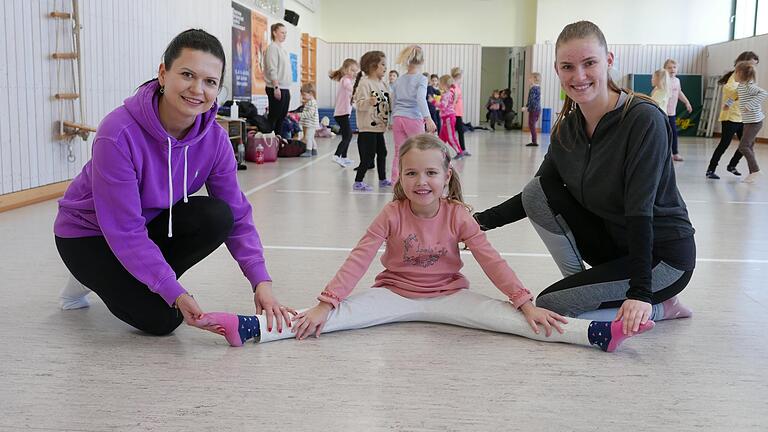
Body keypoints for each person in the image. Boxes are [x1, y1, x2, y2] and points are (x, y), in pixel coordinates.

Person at [199, 134, 654, 352]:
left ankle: (597, 333)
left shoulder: (458, 215)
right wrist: (325, 302)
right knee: (330, 319)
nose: (421, 181)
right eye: (412, 173)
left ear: (446, 176)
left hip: (449, 296)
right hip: (393, 294)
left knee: (518, 321)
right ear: (400, 176)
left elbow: (491, 260)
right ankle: (252, 327)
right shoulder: (391, 213)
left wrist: (523, 301)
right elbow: (360, 258)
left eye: (431, 173)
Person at [54, 29, 295, 337]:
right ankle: (84, 277)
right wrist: (174, 292)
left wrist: (261, 282)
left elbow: (238, 215)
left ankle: (143, 277)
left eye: (210, 82)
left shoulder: (215, 140)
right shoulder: (117, 133)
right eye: (187, 74)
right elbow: (124, 229)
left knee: (218, 215)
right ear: (163, 74)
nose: (197, 89)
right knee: (163, 320)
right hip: (88, 234)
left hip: (148, 225)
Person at [474, 21, 696, 334]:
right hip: (615, 246)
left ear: (609, 60)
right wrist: (476, 223)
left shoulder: (643, 119)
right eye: (568, 67)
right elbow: (536, 196)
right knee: (538, 189)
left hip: (662, 258)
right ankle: (584, 292)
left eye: (589, 63)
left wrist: (641, 293)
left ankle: (659, 307)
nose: (578, 76)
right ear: (557, 69)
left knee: (551, 304)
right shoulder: (568, 128)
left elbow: (640, 209)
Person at [706, 51, 759, 179]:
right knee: (724, 143)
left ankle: (732, 165)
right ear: (743, 63)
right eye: (751, 64)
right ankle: (710, 170)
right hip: (730, 117)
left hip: (743, 117)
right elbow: (731, 92)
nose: (752, 68)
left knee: (747, 144)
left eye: (755, 66)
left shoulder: (748, 80)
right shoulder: (734, 77)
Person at [389, 45, 437, 182]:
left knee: (399, 151)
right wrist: (428, 118)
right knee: (419, 150)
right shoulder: (421, 79)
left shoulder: (399, 80)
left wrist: (392, 120)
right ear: (422, 61)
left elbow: (394, 100)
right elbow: (420, 98)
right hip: (413, 119)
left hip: (398, 117)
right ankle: (420, 179)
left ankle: (395, 181)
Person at [351, 51, 391, 191]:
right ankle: (358, 181)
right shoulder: (365, 83)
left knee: (383, 153)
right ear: (373, 66)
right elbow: (359, 104)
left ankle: (382, 179)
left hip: (379, 127)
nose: (385, 68)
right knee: (368, 157)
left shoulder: (383, 84)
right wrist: (369, 101)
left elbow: (388, 103)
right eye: (383, 65)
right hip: (368, 127)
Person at [734, 61, 768, 184]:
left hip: (755, 122)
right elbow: (736, 97)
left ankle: (755, 170)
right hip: (748, 122)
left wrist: (750, 105)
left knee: (743, 146)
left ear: (740, 73)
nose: (734, 75)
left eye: (735, 73)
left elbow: (764, 93)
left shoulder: (750, 86)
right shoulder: (741, 86)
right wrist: (728, 104)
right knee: (749, 147)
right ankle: (752, 173)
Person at [329, 58, 360, 167]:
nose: (354, 73)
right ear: (346, 70)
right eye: (352, 70)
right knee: (348, 136)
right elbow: (350, 88)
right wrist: (358, 90)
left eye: (356, 71)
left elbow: (351, 97)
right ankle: (337, 155)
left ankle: (344, 157)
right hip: (341, 114)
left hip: (343, 113)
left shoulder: (348, 80)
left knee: (346, 135)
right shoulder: (345, 80)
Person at [264, 23, 292, 138]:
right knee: (274, 117)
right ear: (274, 32)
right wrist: (276, 87)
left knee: (282, 117)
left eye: (286, 33)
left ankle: (278, 141)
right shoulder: (272, 48)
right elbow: (272, 69)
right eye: (282, 32)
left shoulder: (283, 49)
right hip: (276, 87)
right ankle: (268, 142)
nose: (284, 35)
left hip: (285, 87)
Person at [663, 58, 693, 162]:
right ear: (665, 69)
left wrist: (686, 102)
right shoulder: (663, 80)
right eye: (669, 67)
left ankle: (675, 153)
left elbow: (679, 92)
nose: (672, 69)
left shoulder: (677, 81)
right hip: (663, 112)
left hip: (672, 113)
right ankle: (666, 154)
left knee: (673, 133)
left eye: (674, 67)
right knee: (664, 133)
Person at [436, 75, 463, 156]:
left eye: (439, 83)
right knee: (442, 138)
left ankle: (459, 152)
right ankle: (438, 152)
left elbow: (443, 106)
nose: (438, 85)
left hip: (448, 118)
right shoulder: (448, 93)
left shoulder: (447, 94)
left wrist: (433, 102)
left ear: (444, 84)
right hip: (446, 118)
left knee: (450, 137)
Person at [450, 67, 471, 156]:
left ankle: (462, 149)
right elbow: (453, 99)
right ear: (458, 75)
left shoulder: (457, 85)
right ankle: (460, 150)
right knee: (451, 133)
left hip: (458, 111)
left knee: (460, 131)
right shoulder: (453, 85)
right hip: (455, 112)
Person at [520, 72, 542, 146]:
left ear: (535, 79)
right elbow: (531, 100)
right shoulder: (537, 88)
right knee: (532, 124)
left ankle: (534, 141)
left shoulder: (533, 88)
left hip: (534, 109)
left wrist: (526, 107)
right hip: (536, 109)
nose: (529, 79)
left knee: (531, 125)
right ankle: (534, 141)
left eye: (530, 78)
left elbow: (532, 100)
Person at [299, 82, 319, 157]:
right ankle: (314, 150)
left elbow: (310, 114)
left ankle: (309, 151)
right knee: (311, 137)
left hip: (311, 124)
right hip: (310, 124)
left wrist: (299, 115)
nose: (303, 97)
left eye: (304, 95)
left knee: (308, 137)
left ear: (310, 93)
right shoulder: (309, 102)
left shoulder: (312, 103)